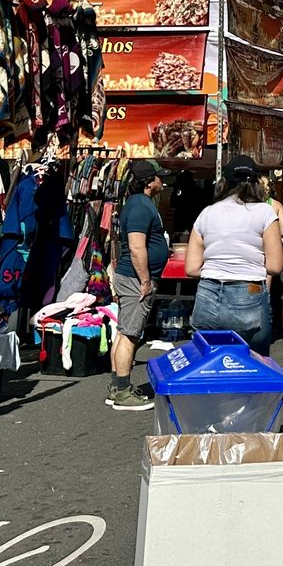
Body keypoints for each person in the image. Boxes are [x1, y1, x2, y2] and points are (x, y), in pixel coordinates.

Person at [184, 154, 283, 352]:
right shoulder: (265, 213)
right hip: (248, 293)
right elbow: (274, 266)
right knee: (253, 362)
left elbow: (191, 268)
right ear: (256, 183)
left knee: (208, 362)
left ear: (225, 182)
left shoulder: (207, 213)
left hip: (207, 294)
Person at [108, 159, 167, 411]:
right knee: (131, 334)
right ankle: (122, 391)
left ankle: (116, 386)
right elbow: (135, 247)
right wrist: (145, 280)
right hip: (135, 279)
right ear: (148, 183)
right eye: (158, 177)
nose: (161, 181)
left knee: (123, 332)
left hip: (130, 277)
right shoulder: (142, 206)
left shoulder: (137, 204)